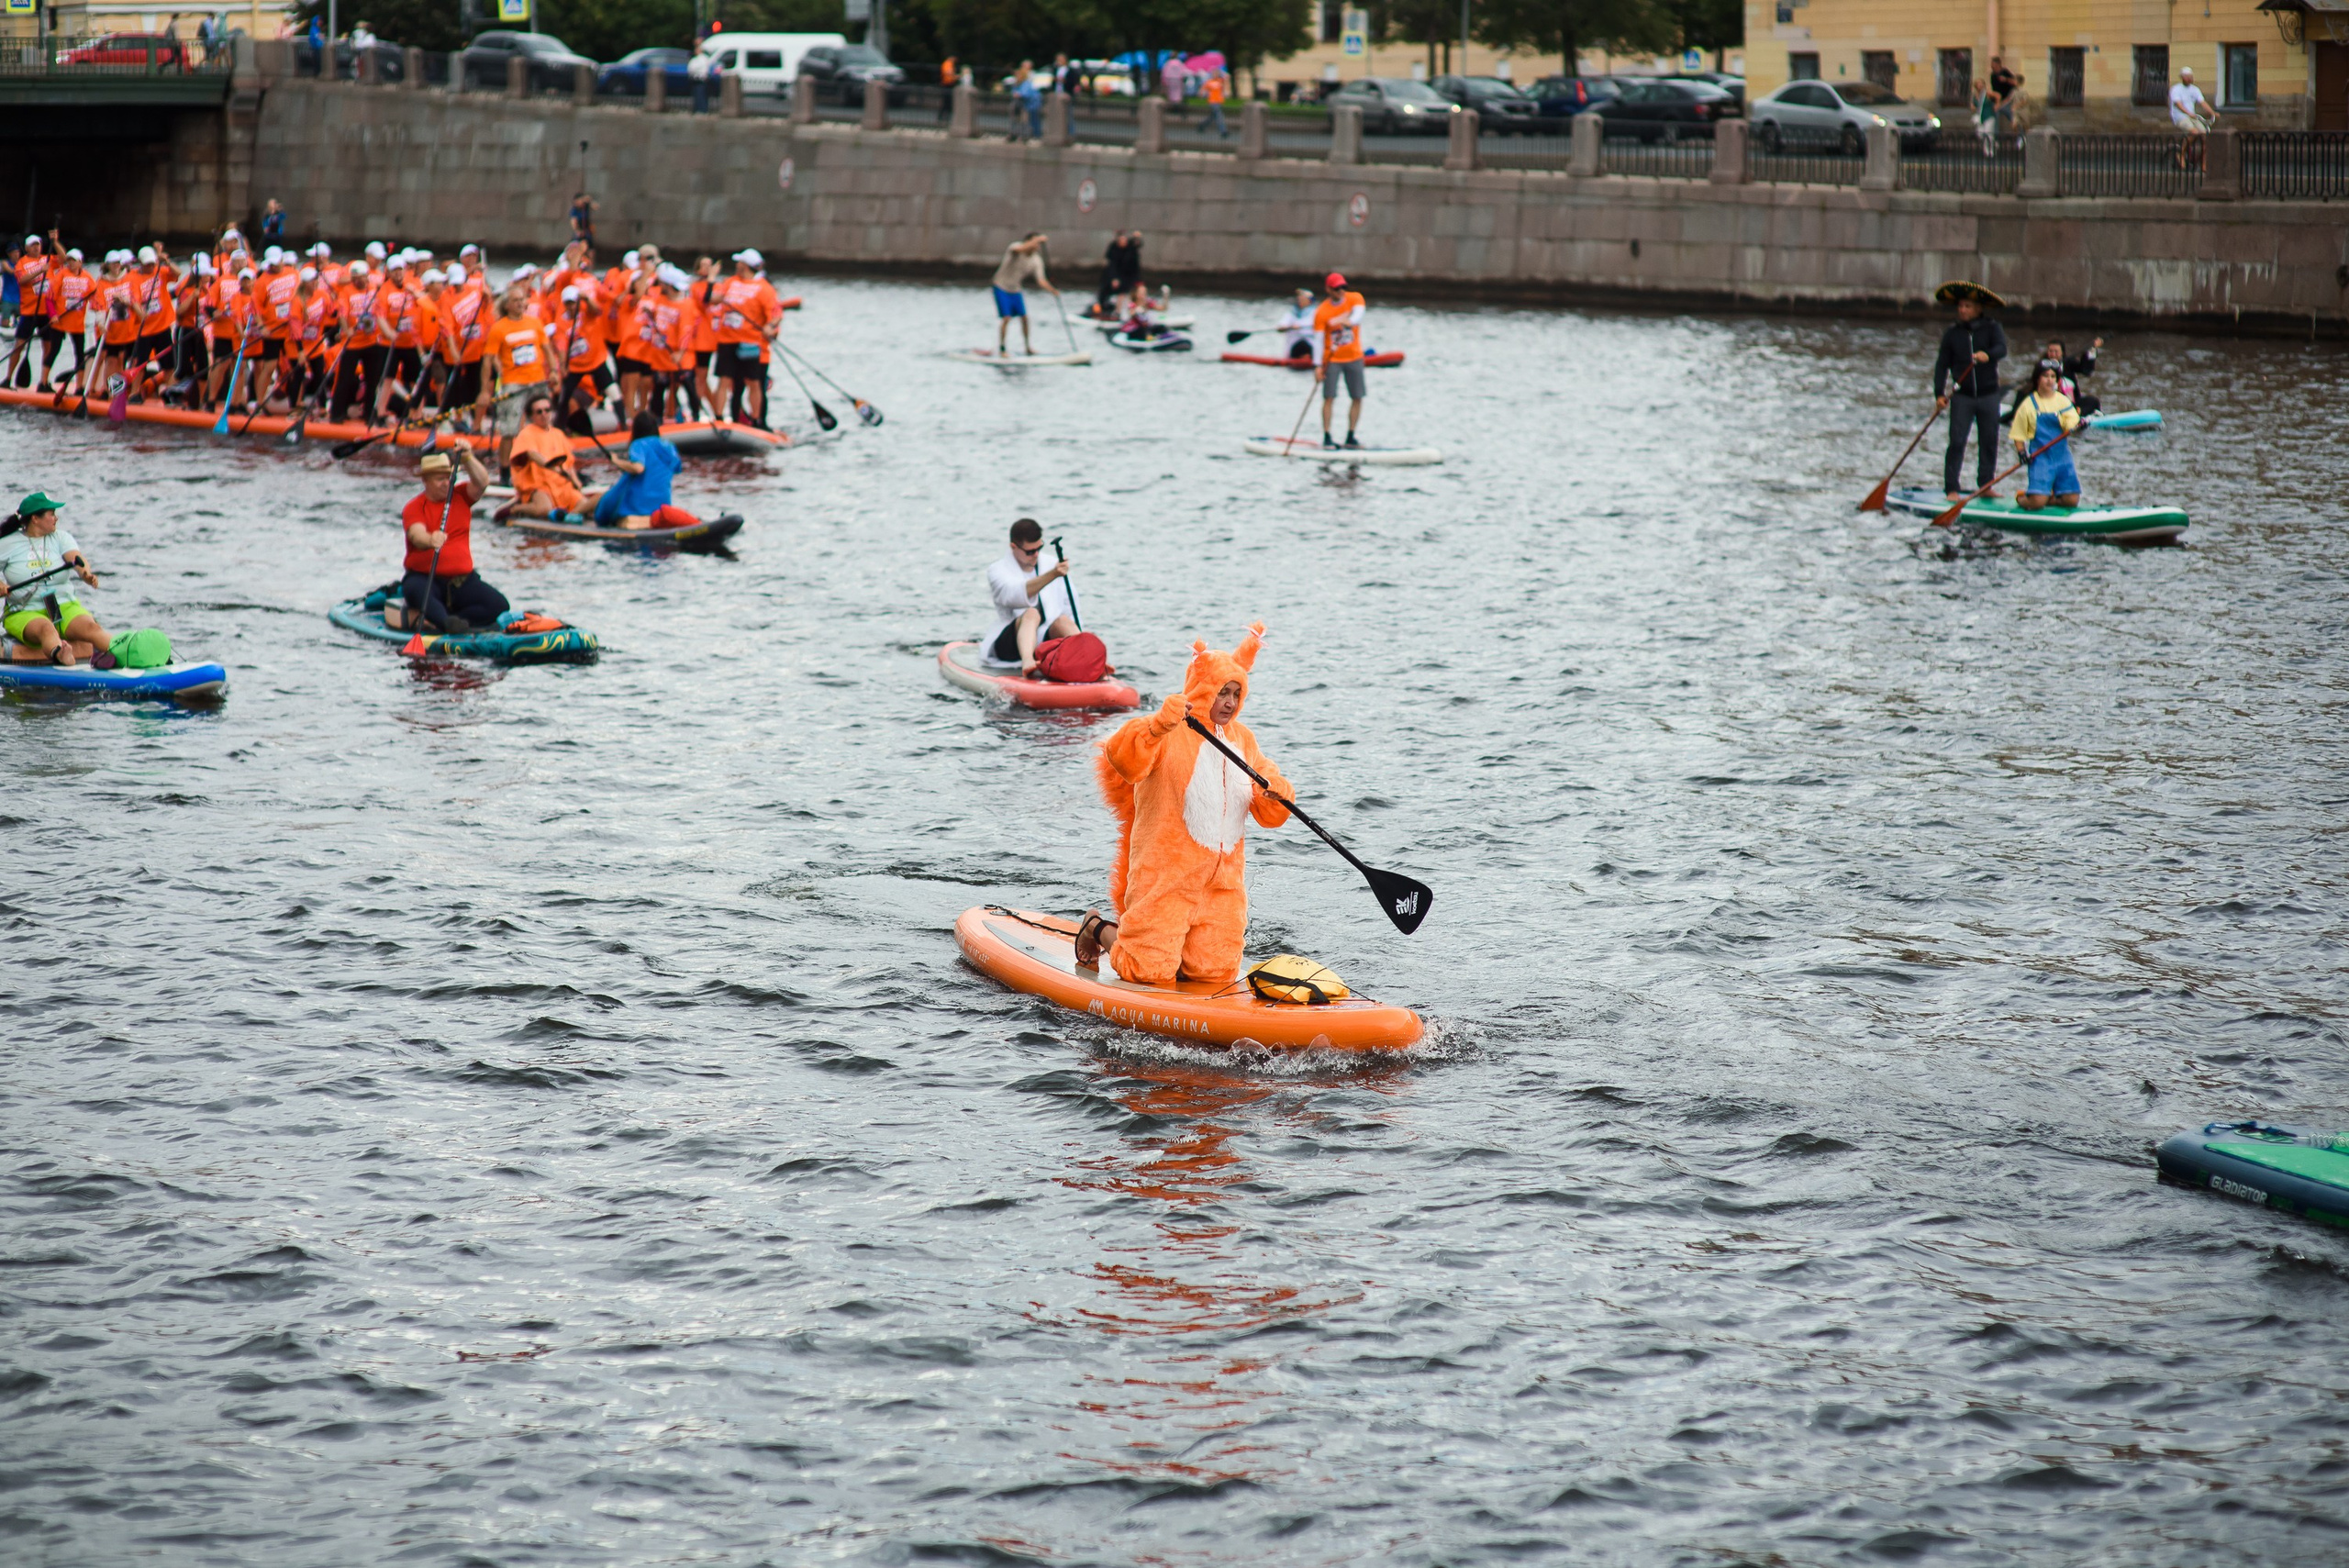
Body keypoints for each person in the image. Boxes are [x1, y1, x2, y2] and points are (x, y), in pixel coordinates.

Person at [1072, 623, 1292, 984]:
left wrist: (1277, 793)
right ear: (1203, 690)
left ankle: (1178, 953)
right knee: (1146, 971)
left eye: (1237, 693)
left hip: (1224, 883)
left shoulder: (1243, 739)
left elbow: (1271, 811)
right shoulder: (1169, 728)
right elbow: (1122, 759)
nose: (1230, 702)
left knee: (1214, 973)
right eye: (1223, 692)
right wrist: (1157, 726)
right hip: (1167, 876)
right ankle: (1096, 928)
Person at [389, 448, 509, 633]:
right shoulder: (415, 506)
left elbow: (482, 482)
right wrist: (430, 540)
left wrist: (468, 457)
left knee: (499, 605)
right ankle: (444, 621)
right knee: (416, 590)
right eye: (440, 479)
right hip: (426, 579)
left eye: (448, 478)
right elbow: (416, 535)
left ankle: (448, 621)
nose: (446, 483)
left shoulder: (461, 496)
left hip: (461, 582)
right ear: (425, 480)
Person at [2, 491, 111, 668]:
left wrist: (85, 574)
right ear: (35, 519)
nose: (56, 518)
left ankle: (124, 652)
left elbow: (76, 558)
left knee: (92, 628)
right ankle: (61, 654)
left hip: (64, 605)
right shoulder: (7, 544)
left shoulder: (61, 538)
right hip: (25, 610)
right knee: (46, 628)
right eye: (51, 514)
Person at [1932, 281, 2007, 499]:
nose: (1962, 310)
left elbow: (2002, 349)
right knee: (1957, 441)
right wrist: (1939, 394)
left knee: (1989, 441)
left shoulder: (1992, 328)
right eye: (1960, 306)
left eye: (1967, 306)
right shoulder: (1952, 334)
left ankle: (1986, 485)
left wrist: (1987, 355)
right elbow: (1942, 365)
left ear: (1978, 308)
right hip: (1962, 397)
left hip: (1989, 395)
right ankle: (1951, 488)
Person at [983, 517, 1076, 675]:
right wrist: (1052, 575)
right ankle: (1028, 661)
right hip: (1009, 644)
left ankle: (1091, 660)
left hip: (1043, 639)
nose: (1036, 555)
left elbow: (1070, 605)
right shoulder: (997, 570)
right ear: (1013, 547)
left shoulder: (1052, 563)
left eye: (1039, 548)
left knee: (1063, 621)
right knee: (1031, 613)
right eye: (1030, 551)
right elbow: (1013, 595)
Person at [507, 392, 604, 518]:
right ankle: (516, 508)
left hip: (562, 486)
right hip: (539, 487)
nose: (544, 414)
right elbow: (533, 454)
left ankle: (568, 516)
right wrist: (554, 468)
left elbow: (569, 463)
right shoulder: (526, 433)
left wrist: (575, 481)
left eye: (547, 410)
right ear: (531, 416)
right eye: (539, 412)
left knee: (587, 505)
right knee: (544, 509)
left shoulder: (558, 434)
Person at [593, 409, 685, 529]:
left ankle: (574, 513)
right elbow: (677, 468)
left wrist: (616, 461)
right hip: (661, 508)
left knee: (601, 499)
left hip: (637, 510)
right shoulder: (669, 446)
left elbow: (638, 468)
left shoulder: (638, 444)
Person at [2009, 362, 2082, 511]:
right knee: (2037, 503)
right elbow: (2018, 433)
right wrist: (2022, 453)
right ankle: (2023, 498)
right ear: (2038, 379)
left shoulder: (2062, 401)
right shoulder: (2028, 404)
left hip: (2062, 457)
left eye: (2053, 376)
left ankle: (2049, 498)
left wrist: (2078, 425)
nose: (2049, 380)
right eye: (2045, 376)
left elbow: (2072, 422)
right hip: (2041, 458)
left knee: (2071, 500)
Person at [1313, 271, 1367, 448]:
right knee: (1329, 397)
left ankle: (1351, 436)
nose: (1341, 291)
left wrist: (1350, 321)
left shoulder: (1355, 298)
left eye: (1343, 287)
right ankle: (1327, 436)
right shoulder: (1322, 312)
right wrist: (1317, 366)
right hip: (1332, 360)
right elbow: (1318, 341)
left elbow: (1359, 314)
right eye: (1337, 289)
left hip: (1354, 357)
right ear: (1329, 290)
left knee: (1357, 397)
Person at [991, 232, 1057, 356]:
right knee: (1006, 318)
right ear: (1027, 242)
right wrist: (1038, 239)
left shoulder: (1036, 260)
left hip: (1016, 289)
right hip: (1001, 287)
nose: (1037, 246)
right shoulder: (1015, 247)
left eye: (1038, 244)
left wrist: (1053, 291)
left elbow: (1041, 280)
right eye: (1035, 242)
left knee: (1025, 318)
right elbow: (1020, 249)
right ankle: (1002, 349)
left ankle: (1027, 348)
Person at [2170, 67, 2214, 169]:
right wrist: (2188, 113)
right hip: (2181, 117)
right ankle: (2181, 153)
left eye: (2190, 76)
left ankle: (2203, 163)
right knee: (2194, 132)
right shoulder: (2176, 89)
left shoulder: (2194, 89)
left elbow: (2202, 102)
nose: (2189, 78)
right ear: (2182, 77)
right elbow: (2178, 104)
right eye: (2187, 77)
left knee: (2205, 136)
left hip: (2192, 117)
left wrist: (2212, 112)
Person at [1096, 230, 1141, 314]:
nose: (1123, 242)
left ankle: (1122, 311)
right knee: (1105, 291)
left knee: (1125, 292)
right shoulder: (1114, 249)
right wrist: (1114, 278)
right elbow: (1112, 266)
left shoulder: (1130, 248)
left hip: (1128, 275)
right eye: (1121, 240)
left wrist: (1137, 237)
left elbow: (1137, 244)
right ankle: (1104, 309)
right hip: (1114, 275)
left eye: (1125, 240)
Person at [1276, 286, 1318, 362]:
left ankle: (1306, 358)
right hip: (1293, 347)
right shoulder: (1291, 313)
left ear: (1309, 301)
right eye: (1299, 297)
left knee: (1304, 344)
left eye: (1302, 298)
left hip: (1311, 346)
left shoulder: (1316, 313)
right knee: (1300, 345)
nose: (1299, 299)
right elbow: (1280, 328)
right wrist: (1290, 327)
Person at [1011, 60, 1041, 141]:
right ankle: (1016, 134)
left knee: (1026, 120)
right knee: (1017, 119)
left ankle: (1028, 135)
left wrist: (1020, 94)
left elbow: (1028, 93)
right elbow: (1014, 91)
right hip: (1019, 104)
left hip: (1027, 104)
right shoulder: (1017, 83)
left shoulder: (1027, 83)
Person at [1202, 70, 1230, 138]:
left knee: (1213, 116)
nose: (1215, 75)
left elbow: (1226, 86)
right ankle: (1223, 131)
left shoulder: (1220, 81)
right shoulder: (1209, 82)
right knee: (1219, 116)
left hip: (1219, 101)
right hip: (1213, 101)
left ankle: (1202, 126)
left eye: (1216, 74)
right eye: (1214, 74)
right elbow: (1203, 90)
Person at [688, 49, 712, 114]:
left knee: (701, 95)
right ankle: (698, 109)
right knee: (697, 95)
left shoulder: (703, 59)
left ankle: (703, 110)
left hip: (701, 79)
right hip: (695, 78)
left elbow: (699, 68)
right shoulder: (695, 59)